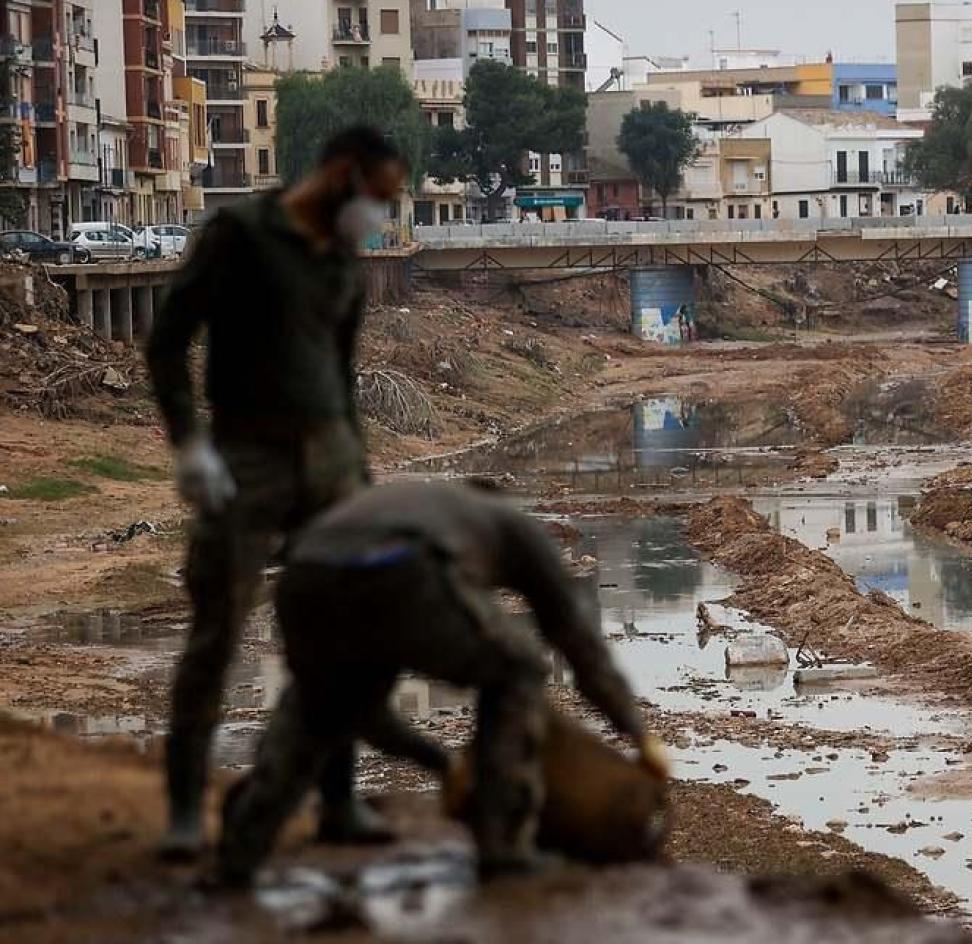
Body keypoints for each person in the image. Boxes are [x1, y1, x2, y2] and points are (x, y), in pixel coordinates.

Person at [145, 126, 408, 860]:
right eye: (380, 198)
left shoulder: (343, 262)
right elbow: (168, 339)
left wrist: (357, 468)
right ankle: (184, 812)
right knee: (217, 631)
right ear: (343, 175)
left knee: (342, 637)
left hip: (331, 464)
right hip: (247, 459)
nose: (380, 216)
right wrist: (188, 443)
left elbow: (343, 374)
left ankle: (337, 803)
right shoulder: (239, 234)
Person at [215, 482, 668, 886]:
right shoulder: (515, 527)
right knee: (520, 667)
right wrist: (637, 731)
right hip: (403, 568)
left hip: (303, 575)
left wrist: (440, 761)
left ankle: (240, 851)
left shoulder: (427, 503)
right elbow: (577, 640)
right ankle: (503, 848)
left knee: (319, 704)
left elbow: (364, 713)